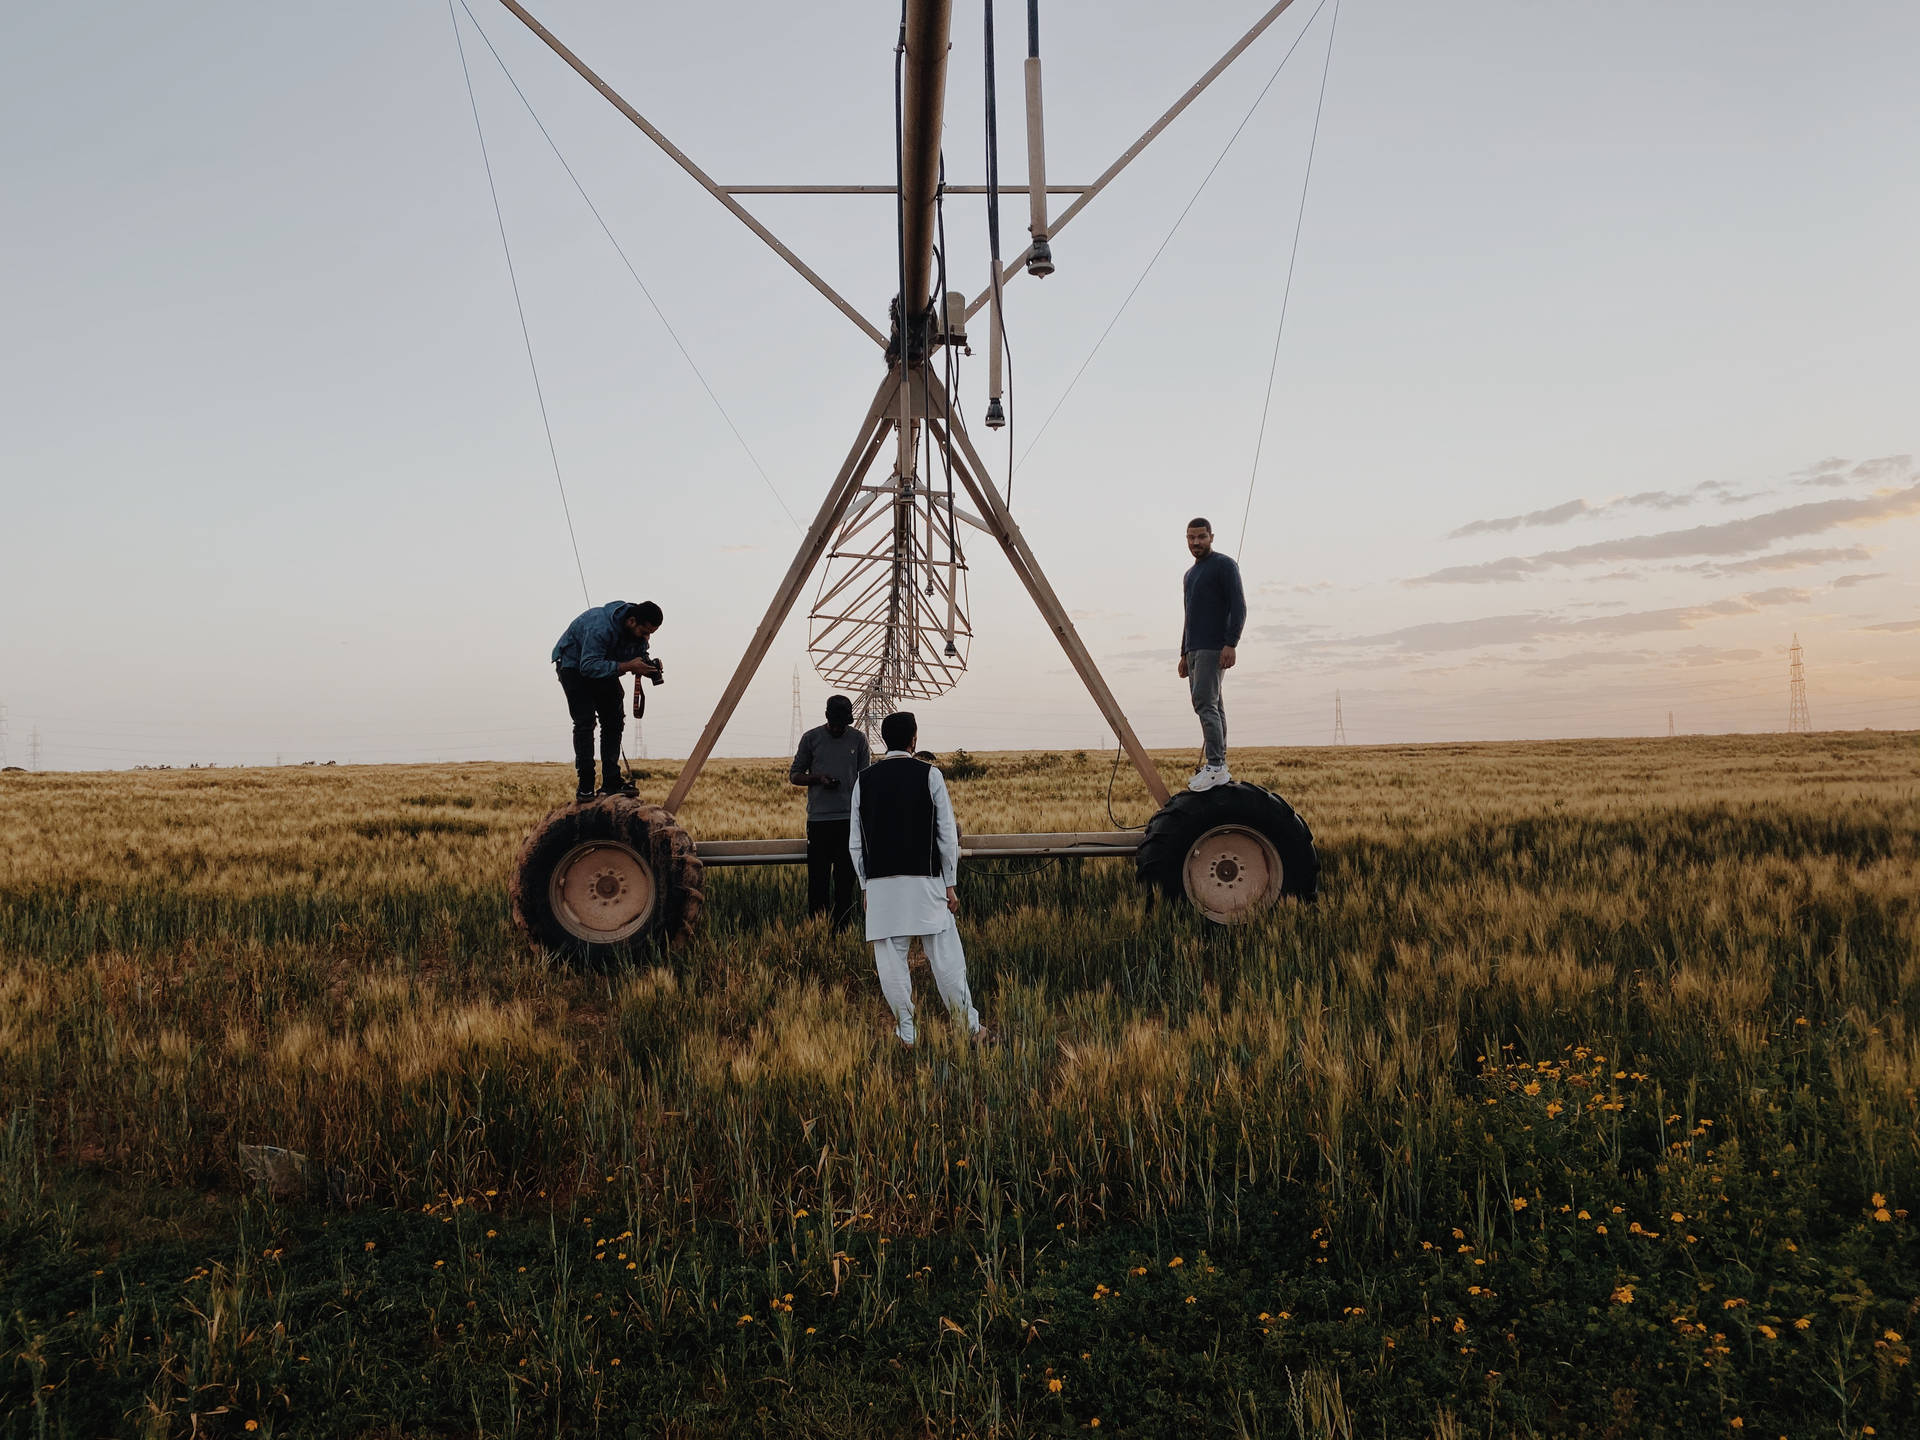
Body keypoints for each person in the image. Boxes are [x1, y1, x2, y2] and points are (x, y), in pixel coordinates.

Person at [848, 712, 988, 1047]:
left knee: (892, 962)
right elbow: (945, 836)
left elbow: (856, 841)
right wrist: (950, 885)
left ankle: (906, 1034)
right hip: (925, 882)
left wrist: (865, 886)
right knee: (946, 958)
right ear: (914, 739)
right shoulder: (930, 774)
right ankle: (969, 1029)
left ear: (883, 740)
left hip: (881, 886)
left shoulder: (863, 780)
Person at [551, 600, 662, 802]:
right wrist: (628, 666)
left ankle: (611, 781)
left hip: (604, 664)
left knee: (614, 719)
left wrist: (647, 666)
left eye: (650, 634)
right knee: (585, 722)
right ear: (631, 621)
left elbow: (637, 654)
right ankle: (585, 785)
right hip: (574, 666)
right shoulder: (599, 626)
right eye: (644, 632)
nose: (647, 638)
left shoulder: (636, 632)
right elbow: (588, 666)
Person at [789, 694, 871, 930]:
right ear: (826, 717)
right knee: (818, 882)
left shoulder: (859, 740)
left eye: (842, 724)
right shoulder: (811, 738)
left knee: (845, 882)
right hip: (819, 822)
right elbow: (795, 775)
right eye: (835, 724)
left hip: (848, 821)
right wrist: (818, 779)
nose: (838, 729)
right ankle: (818, 930)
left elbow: (864, 779)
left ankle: (842, 930)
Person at [1177, 517, 1246, 791]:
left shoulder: (1225, 565)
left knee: (1205, 703)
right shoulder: (1190, 574)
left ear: (1211, 537)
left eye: (1201, 537)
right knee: (1213, 705)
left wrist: (1231, 643)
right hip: (1194, 648)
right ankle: (1218, 765)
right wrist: (1183, 653)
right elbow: (1189, 616)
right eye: (1191, 538)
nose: (1196, 543)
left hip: (1213, 645)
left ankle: (1216, 766)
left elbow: (1239, 606)